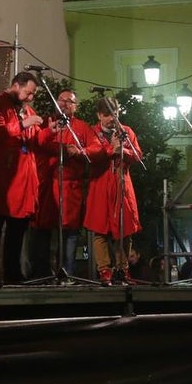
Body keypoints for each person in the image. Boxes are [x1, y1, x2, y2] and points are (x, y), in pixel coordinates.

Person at [0, 71, 43, 285]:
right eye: (28, 93)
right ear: (16, 85)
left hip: (22, 180)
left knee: (17, 231)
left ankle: (13, 274)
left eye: (33, 94)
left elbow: (36, 140)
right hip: (2, 177)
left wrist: (48, 131)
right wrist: (24, 124)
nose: (30, 97)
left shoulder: (27, 110)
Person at [29, 88, 95, 280]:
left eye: (70, 101)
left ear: (76, 106)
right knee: (43, 231)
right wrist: (64, 149)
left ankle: (68, 273)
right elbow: (39, 143)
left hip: (71, 186)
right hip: (48, 185)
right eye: (61, 100)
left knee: (70, 233)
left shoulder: (82, 127)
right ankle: (42, 273)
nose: (65, 104)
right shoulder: (47, 122)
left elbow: (94, 147)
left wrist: (81, 152)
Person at [83, 96, 142, 285]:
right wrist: (111, 149)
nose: (112, 119)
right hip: (100, 184)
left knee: (125, 228)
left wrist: (124, 151)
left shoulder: (126, 131)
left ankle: (123, 269)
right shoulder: (92, 132)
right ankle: (104, 270)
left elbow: (138, 155)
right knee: (99, 229)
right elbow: (92, 154)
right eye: (107, 115)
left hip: (122, 184)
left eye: (115, 114)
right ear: (99, 115)